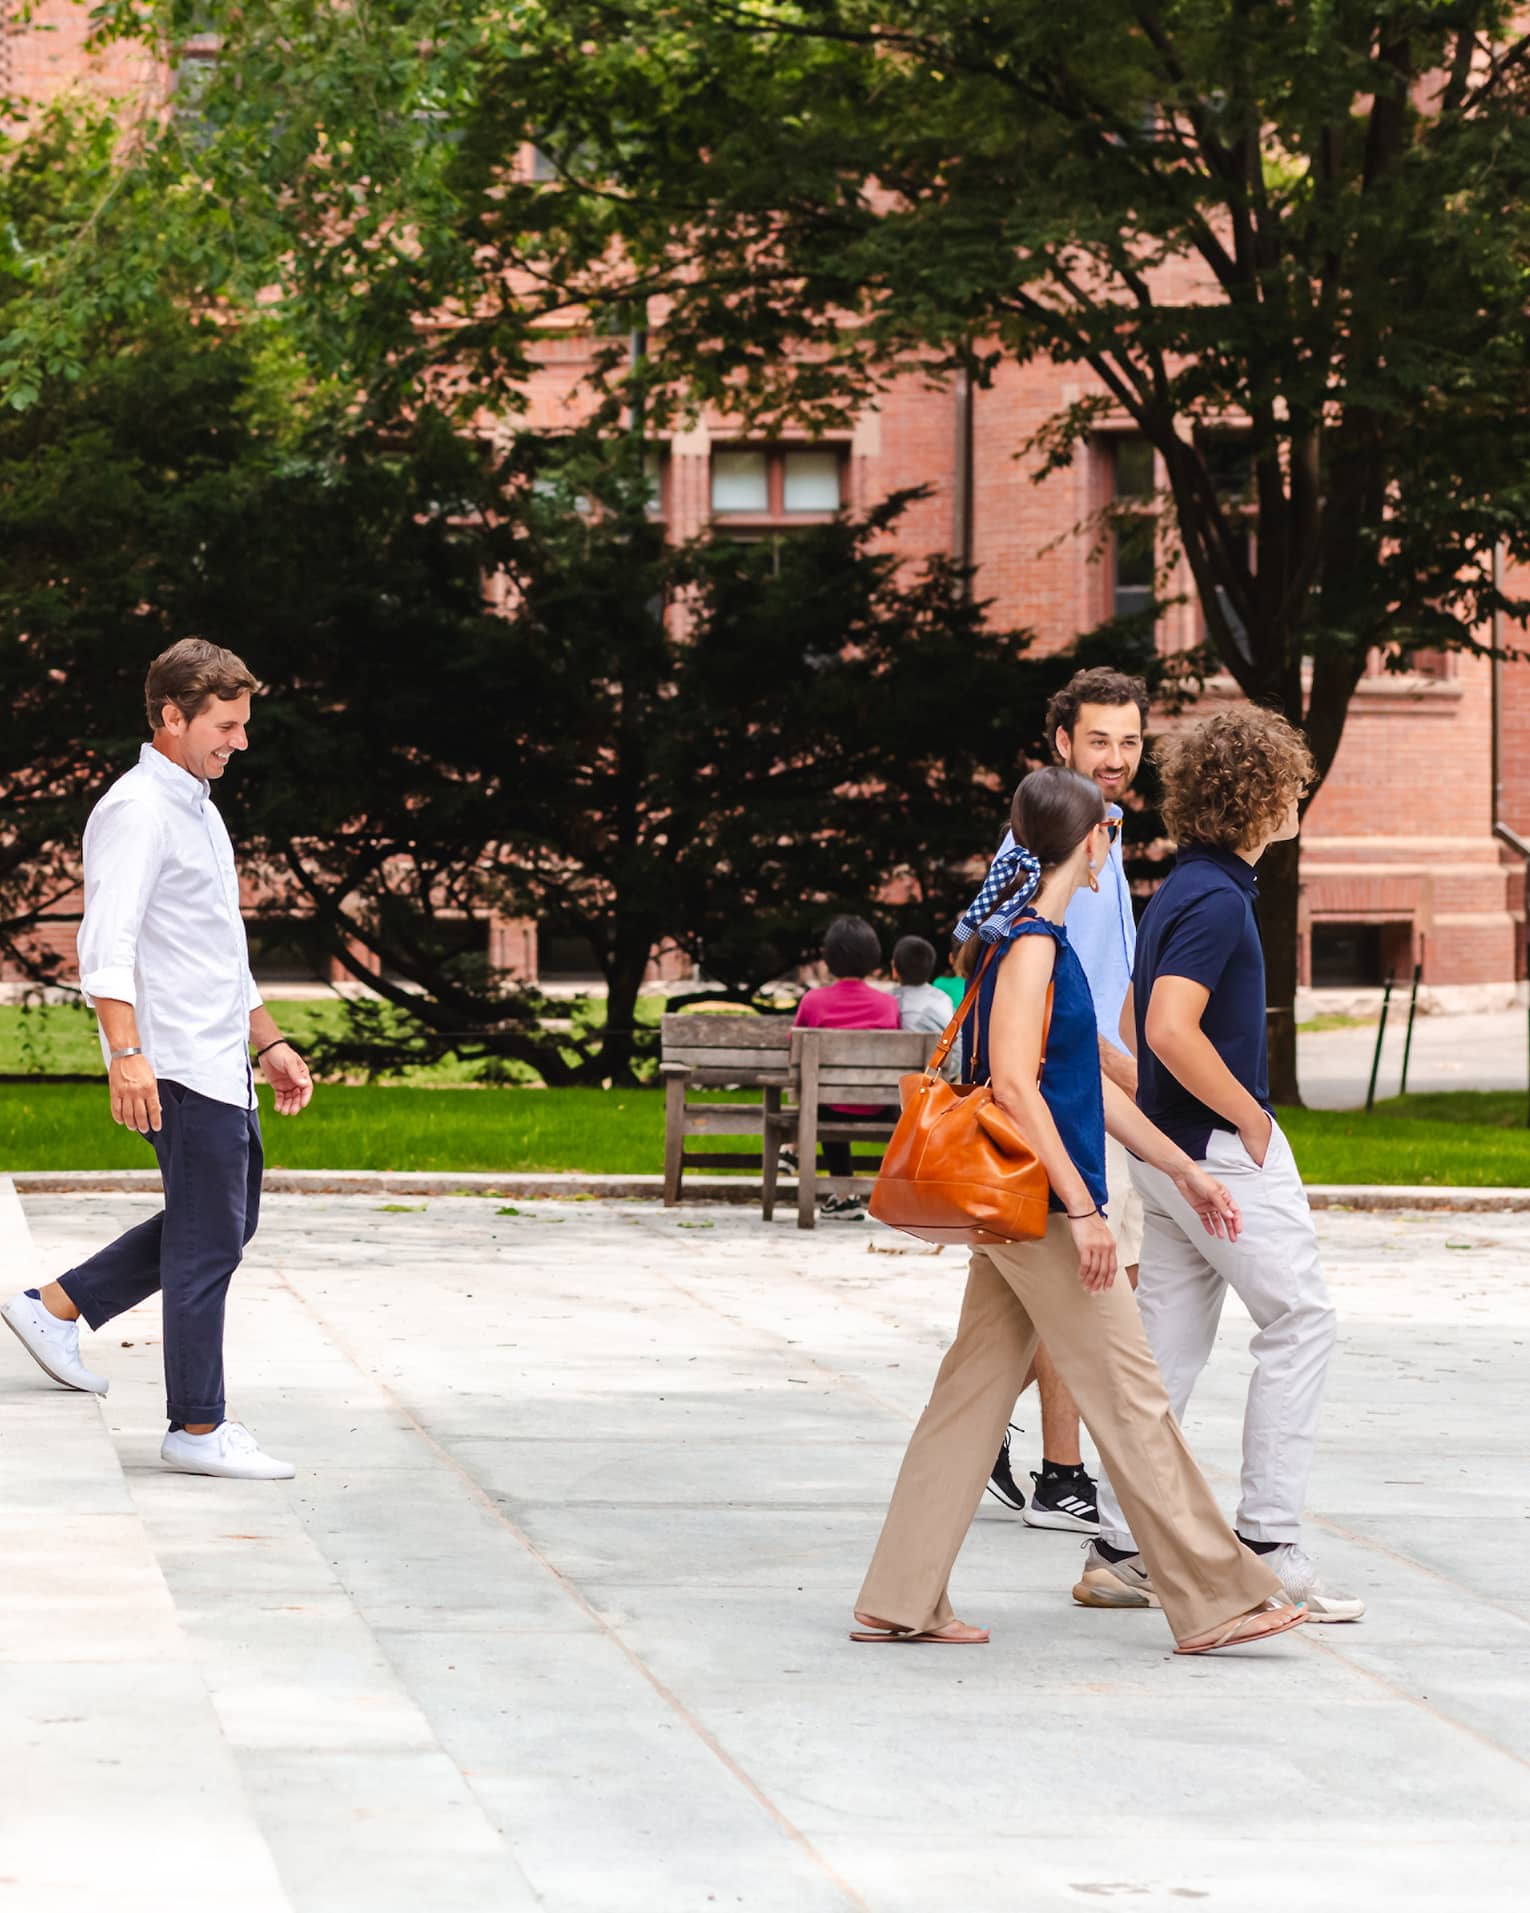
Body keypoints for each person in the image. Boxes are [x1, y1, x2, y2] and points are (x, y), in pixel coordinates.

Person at [852, 766, 1305, 1654]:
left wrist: (1183, 1165)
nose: (1116, 848)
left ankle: (901, 1596)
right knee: (1133, 1397)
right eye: (1112, 832)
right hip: (1047, 1210)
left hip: (1022, 1207)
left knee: (970, 1393)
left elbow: (1089, 1088)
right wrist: (1086, 1211)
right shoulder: (1030, 947)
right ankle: (1217, 1597)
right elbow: (1018, 1089)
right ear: (1090, 841)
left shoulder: (1034, 940)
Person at [1, 639, 313, 1480]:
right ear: (172, 718)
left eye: (244, 724)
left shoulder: (198, 806)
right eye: (226, 724)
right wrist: (126, 1054)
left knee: (227, 1221)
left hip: (220, 1056)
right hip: (172, 1059)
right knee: (211, 1239)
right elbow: (106, 943)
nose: (240, 741)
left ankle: (54, 1307)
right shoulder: (137, 808)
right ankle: (198, 1426)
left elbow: (219, 947)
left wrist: (270, 1038)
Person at [1084, 708, 1364, 1622]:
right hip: (1215, 1152)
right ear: (1258, 795)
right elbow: (1164, 1026)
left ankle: (1124, 1548)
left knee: (1163, 1353)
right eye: (1289, 784)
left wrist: (1158, 1116)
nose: (1297, 798)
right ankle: (1270, 1544)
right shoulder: (1215, 900)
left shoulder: (1179, 890)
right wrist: (1247, 1118)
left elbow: (1130, 1032)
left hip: (1169, 1151)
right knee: (1301, 1320)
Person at [978, 668, 1149, 1533]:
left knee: (1024, 1313)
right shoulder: (1048, 847)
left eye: (1128, 741)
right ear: (1062, 745)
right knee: (1086, 1288)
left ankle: (986, 1451)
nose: (1115, 757)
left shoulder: (1106, 842)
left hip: (1088, 1094)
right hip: (1059, 1105)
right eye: (1098, 741)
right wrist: (1132, 1080)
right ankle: (1064, 1473)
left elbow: (1109, 981)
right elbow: (1023, 980)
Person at [791, 915, 900, 1220]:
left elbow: (794, 1047)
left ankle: (843, 1195)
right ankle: (863, 1196)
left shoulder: (813, 1002)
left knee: (822, 1100)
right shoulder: (887, 1005)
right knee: (832, 1098)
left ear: (827, 958)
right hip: (880, 1105)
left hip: (829, 1104)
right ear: (874, 958)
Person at [891, 934, 961, 1083]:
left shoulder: (889, 1002)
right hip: (935, 1085)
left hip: (892, 1086)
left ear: (894, 970)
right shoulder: (943, 1000)